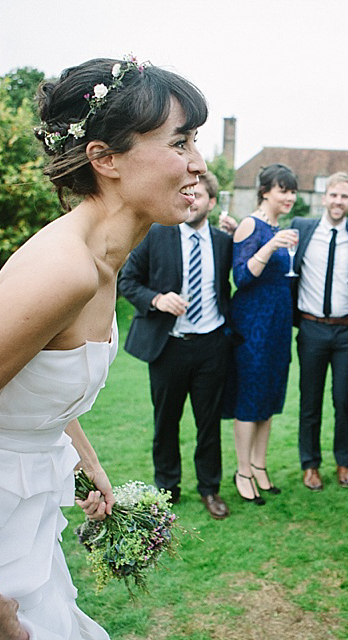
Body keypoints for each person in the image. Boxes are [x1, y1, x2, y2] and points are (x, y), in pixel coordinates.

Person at [0, 56, 209, 639]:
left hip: (23, 520)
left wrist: (87, 465)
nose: (198, 164)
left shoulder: (104, 261)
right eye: (180, 143)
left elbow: (30, 385)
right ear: (104, 158)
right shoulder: (63, 270)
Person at [119, 170, 233, 519]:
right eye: (187, 194)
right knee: (166, 421)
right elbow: (127, 280)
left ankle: (210, 489)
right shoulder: (157, 235)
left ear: (211, 203)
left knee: (208, 422)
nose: (192, 200)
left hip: (212, 345)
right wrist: (156, 300)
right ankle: (167, 489)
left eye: (199, 195)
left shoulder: (224, 242)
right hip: (169, 346)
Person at [291, 172, 348, 490]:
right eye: (333, 195)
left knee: (344, 400)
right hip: (311, 328)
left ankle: (343, 462)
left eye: (344, 197)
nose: (338, 202)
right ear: (323, 198)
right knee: (310, 400)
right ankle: (310, 465)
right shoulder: (301, 228)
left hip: (347, 331)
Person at [226, 163, 299, 504]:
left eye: (292, 191)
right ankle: (242, 470)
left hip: (278, 324)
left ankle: (260, 465)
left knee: (269, 396)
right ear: (266, 190)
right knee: (250, 397)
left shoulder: (277, 226)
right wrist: (270, 247)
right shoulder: (250, 225)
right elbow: (241, 277)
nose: (290, 197)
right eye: (284, 190)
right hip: (252, 323)